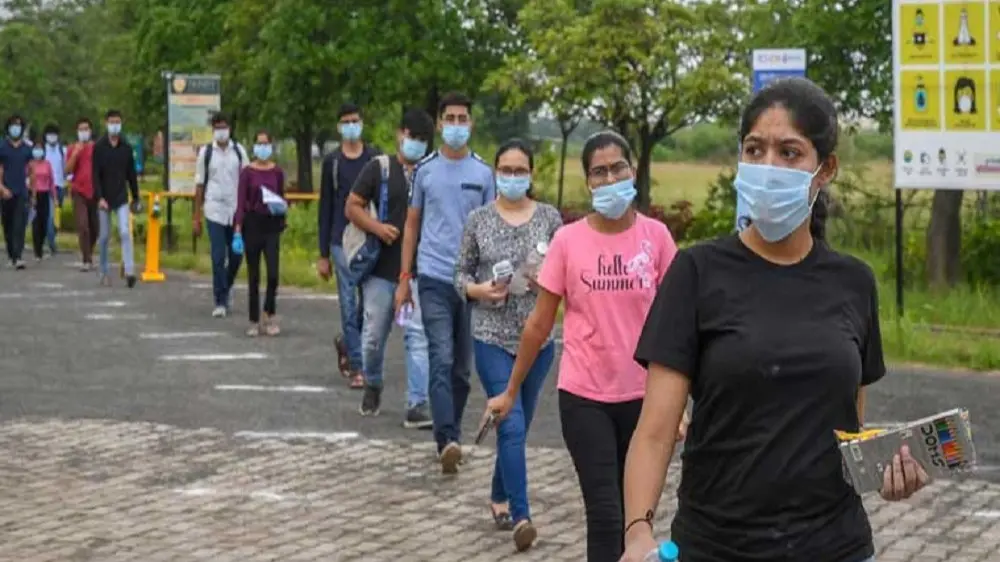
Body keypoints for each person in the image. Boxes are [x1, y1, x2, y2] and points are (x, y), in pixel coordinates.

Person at [620, 78, 928, 562]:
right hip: (717, 547)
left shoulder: (854, 282)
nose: (768, 167)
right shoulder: (697, 272)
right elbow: (655, 432)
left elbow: (850, 428)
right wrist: (637, 531)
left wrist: (886, 474)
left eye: (789, 153)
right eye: (754, 149)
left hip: (836, 546)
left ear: (825, 169)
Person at [485, 131, 678, 561]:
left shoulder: (658, 239)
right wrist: (511, 390)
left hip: (646, 400)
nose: (610, 178)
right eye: (599, 171)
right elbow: (539, 324)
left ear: (633, 170)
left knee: (637, 518)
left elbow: (681, 326)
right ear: (588, 181)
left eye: (618, 168)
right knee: (606, 513)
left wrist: (682, 406)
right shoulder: (569, 242)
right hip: (584, 396)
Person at [455, 139, 562, 551]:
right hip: (492, 338)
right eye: (506, 170)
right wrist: (480, 290)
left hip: (538, 341)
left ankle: (499, 495)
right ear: (495, 172)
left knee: (515, 424)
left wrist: (546, 279)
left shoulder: (550, 218)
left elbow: (565, 268)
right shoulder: (479, 220)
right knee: (512, 422)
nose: (513, 177)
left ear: (531, 174)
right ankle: (522, 517)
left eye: (520, 170)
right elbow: (459, 274)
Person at [395, 91, 496, 473]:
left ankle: (450, 428)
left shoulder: (483, 174)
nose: (456, 125)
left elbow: (490, 230)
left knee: (460, 370)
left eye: (462, 118)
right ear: (439, 124)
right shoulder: (425, 170)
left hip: (470, 284)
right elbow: (412, 225)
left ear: (471, 123)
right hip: (434, 278)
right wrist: (405, 278)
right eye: (449, 118)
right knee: (440, 356)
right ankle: (447, 439)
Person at [345, 107, 435, 427]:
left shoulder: (431, 173)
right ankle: (373, 383)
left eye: (423, 140)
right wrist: (376, 227)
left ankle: (417, 403)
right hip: (380, 271)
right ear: (400, 135)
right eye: (412, 137)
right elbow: (352, 205)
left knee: (417, 336)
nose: (415, 144)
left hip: (419, 273)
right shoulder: (379, 169)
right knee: (373, 336)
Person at [317, 103, 380, 389]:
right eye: (346, 122)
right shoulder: (332, 162)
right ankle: (359, 366)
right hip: (340, 239)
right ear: (339, 127)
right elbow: (326, 206)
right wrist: (323, 254)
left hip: (369, 236)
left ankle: (347, 340)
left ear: (362, 122)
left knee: (368, 302)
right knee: (347, 299)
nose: (351, 126)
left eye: (355, 120)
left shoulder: (375, 157)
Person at [193, 112, 250, 317]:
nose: (221, 131)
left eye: (224, 127)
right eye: (217, 127)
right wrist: (196, 217)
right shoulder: (206, 153)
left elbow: (247, 180)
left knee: (236, 254)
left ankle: (226, 285)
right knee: (218, 256)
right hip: (214, 209)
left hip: (236, 211)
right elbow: (199, 185)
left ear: (230, 128)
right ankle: (220, 300)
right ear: (213, 130)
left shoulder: (239, 152)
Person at [234, 130, 286, 337]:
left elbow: (282, 196)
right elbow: (240, 202)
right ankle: (254, 318)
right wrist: (238, 227)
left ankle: (269, 311)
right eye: (259, 144)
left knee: (273, 274)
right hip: (252, 224)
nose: (262, 148)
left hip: (272, 224)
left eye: (266, 144)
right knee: (254, 274)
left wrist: (283, 213)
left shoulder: (277, 172)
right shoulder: (247, 173)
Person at [92, 109, 141, 288]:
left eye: (118, 122)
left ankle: (129, 271)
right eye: (112, 121)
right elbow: (95, 175)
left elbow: (131, 175)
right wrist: (99, 197)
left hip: (121, 196)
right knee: (104, 236)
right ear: (106, 123)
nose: (115, 125)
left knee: (125, 232)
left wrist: (136, 197)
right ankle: (104, 271)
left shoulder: (126, 148)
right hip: (104, 197)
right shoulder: (99, 147)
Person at [0, 114, 33, 269]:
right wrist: (2, 188)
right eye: (13, 125)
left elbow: (31, 170)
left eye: (19, 125)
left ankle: (18, 256)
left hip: (22, 191)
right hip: (5, 191)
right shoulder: (2, 146)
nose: (16, 128)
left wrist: (32, 189)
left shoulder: (27, 149)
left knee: (19, 224)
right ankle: (11, 253)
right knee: (8, 225)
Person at [66, 118, 99, 272]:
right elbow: (67, 170)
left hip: (95, 191)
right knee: (83, 225)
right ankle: (86, 259)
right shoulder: (72, 148)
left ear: (91, 131)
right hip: (79, 191)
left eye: (86, 129)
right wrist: (76, 153)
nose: (84, 132)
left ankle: (89, 251)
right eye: (81, 129)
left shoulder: (97, 148)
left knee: (95, 228)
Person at [28, 140, 56, 261]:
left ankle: (41, 245)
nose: (38, 151)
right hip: (34, 194)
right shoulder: (29, 164)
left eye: (40, 148)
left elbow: (51, 181)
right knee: (36, 222)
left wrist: (54, 196)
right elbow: (25, 179)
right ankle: (37, 251)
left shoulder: (47, 164)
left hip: (45, 194)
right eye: (36, 148)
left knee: (44, 222)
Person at [42, 123, 67, 256]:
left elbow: (66, 168)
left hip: (60, 187)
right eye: (49, 134)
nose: (52, 137)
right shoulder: (42, 151)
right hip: (46, 187)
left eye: (54, 134)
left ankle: (50, 236)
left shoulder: (62, 151)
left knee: (56, 217)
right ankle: (51, 243)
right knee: (49, 216)